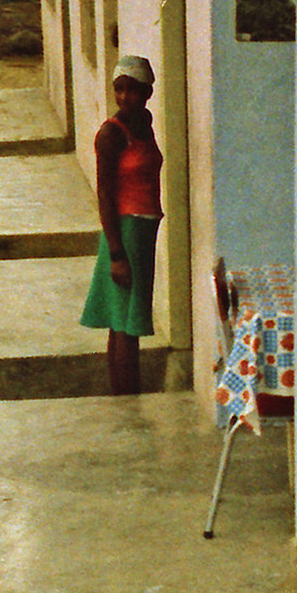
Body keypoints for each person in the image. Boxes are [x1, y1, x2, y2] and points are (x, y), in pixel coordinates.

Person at [79, 57, 162, 395]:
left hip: (144, 230)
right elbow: (105, 192)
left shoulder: (144, 122)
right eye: (119, 89)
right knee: (125, 322)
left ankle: (124, 390)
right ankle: (126, 395)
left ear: (147, 92)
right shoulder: (111, 134)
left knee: (124, 319)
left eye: (133, 89)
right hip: (125, 230)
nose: (126, 96)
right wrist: (116, 253)